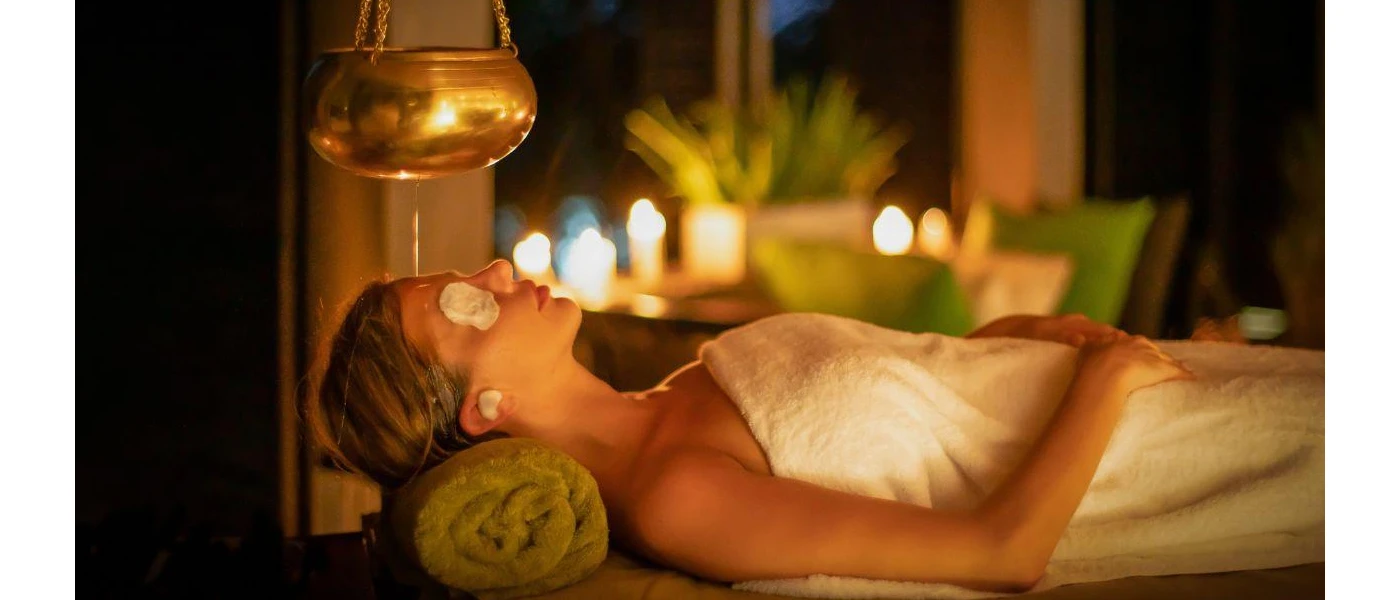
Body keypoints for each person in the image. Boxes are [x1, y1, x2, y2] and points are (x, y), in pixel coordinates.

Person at [305, 260, 1319, 593]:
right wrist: (1102, 380)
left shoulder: (680, 389)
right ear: (483, 410)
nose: (496, 272)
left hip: (1163, 387)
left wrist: (1015, 336)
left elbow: (908, 400)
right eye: (464, 305)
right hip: (1158, 447)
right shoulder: (676, 495)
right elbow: (999, 553)